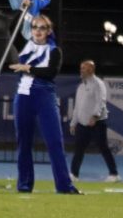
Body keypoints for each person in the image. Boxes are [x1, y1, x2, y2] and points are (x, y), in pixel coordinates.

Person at [9, 13, 79, 194]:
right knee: (23, 143)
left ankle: (64, 186)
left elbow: (50, 72)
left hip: (44, 96)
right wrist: (23, 9)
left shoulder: (55, 50)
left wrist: (28, 68)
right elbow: (12, 27)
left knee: (54, 142)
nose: (37, 31)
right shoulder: (25, 46)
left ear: (49, 31)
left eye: (42, 28)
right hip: (23, 96)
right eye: (34, 27)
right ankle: (24, 185)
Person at [69, 60, 121, 183]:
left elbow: (101, 101)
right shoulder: (81, 87)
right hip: (82, 125)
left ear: (91, 70)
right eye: (81, 68)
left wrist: (95, 116)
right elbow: (77, 107)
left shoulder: (98, 84)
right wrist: (73, 123)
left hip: (97, 124)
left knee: (103, 148)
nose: (81, 70)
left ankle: (114, 174)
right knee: (78, 150)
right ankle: (74, 174)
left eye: (84, 68)